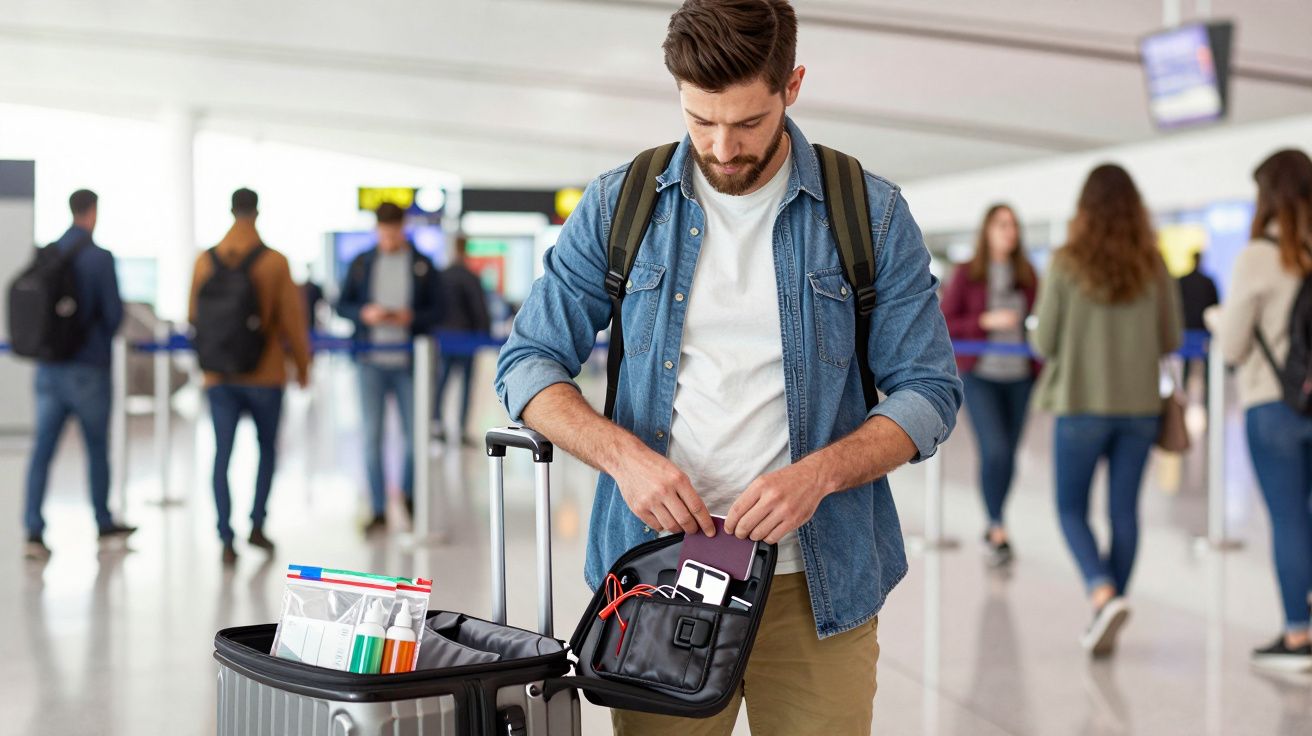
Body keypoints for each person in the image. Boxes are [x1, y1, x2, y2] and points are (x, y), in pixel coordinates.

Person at [495, 2, 961, 733]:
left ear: (792, 86)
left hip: (818, 589)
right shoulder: (621, 204)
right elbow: (527, 363)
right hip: (657, 582)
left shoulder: (868, 212)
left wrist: (819, 474)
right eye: (699, 119)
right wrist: (625, 459)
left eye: (747, 122)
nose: (720, 146)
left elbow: (929, 390)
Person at [1030, 164, 1182, 657]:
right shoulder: (1152, 263)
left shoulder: (1066, 262)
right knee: (1124, 512)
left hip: (1080, 405)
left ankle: (1101, 591)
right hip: (1140, 407)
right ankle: (1108, 607)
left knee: (1070, 508)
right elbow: (1172, 338)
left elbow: (1045, 340)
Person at [1216, 149, 1312, 672]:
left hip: (1273, 406)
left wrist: (1218, 321)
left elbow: (1232, 348)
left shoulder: (1259, 255)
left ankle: (1298, 637)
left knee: (1289, 520)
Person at [188, 188, 311, 565]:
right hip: (265, 373)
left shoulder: (204, 260)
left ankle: (225, 537)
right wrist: (303, 367)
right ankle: (257, 525)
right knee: (266, 450)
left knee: (221, 454)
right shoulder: (274, 262)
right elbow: (292, 320)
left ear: (230, 211)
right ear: (256, 213)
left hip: (218, 375)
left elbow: (193, 315)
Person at [22, 189, 136, 561]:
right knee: (96, 449)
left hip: (49, 369)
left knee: (42, 451)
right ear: (93, 211)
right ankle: (103, 522)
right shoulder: (99, 258)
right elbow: (114, 316)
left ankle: (33, 532)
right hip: (88, 369)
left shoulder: (48, 254)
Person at [940, 204, 1039, 567]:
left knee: (1009, 454)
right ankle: (995, 526)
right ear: (987, 230)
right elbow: (946, 322)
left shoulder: (1027, 274)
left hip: (1020, 377)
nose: (1008, 231)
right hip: (980, 375)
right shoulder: (968, 273)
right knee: (994, 449)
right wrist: (985, 319)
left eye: (1012, 225)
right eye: (1001, 225)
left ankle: (997, 521)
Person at [337, 202, 444, 535]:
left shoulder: (422, 264)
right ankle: (379, 507)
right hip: (370, 360)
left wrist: (412, 318)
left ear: (404, 227)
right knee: (372, 436)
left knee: (414, 437)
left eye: (394, 231)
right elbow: (342, 303)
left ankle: (409, 497)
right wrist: (364, 314)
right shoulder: (361, 263)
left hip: (410, 361)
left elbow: (438, 309)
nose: (389, 237)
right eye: (383, 232)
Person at [433, 234, 491, 447]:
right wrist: (484, 333)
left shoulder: (441, 276)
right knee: (466, 385)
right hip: (467, 338)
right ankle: (462, 428)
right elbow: (479, 309)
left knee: (442, 383)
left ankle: (437, 425)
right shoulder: (471, 277)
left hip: (444, 338)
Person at [1177, 251, 1219, 390]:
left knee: (1186, 367)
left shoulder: (1182, 281)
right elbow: (1215, 306)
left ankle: (1183, 395)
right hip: (1202, 331)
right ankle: (1209, 401)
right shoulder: (1208, 282)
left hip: (1186, 329)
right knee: (1208, 368)